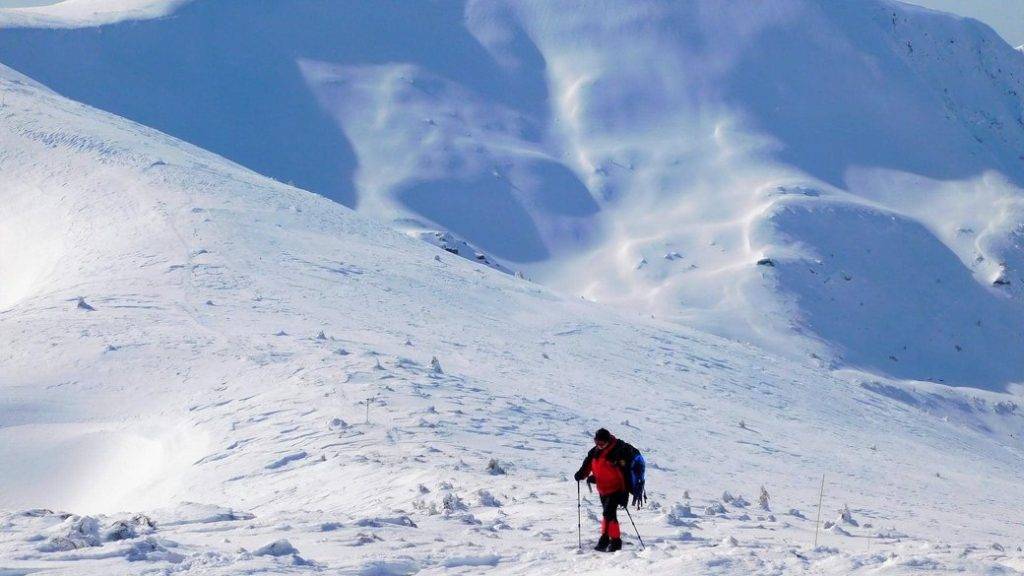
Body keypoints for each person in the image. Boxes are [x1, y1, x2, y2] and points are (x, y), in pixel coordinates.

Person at [573, 428, 646, 552]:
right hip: (603, 489)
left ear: (608, 441)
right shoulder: (594, 452)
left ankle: (606, 539)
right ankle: (615, 541)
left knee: (608, 514)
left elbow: (624, 472)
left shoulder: (618, 452)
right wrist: (581, 474)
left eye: (602, 443)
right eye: (597, 442)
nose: (599, 445)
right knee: (610, 516)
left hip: (617, 489)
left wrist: (627, 491)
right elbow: (587, 466)